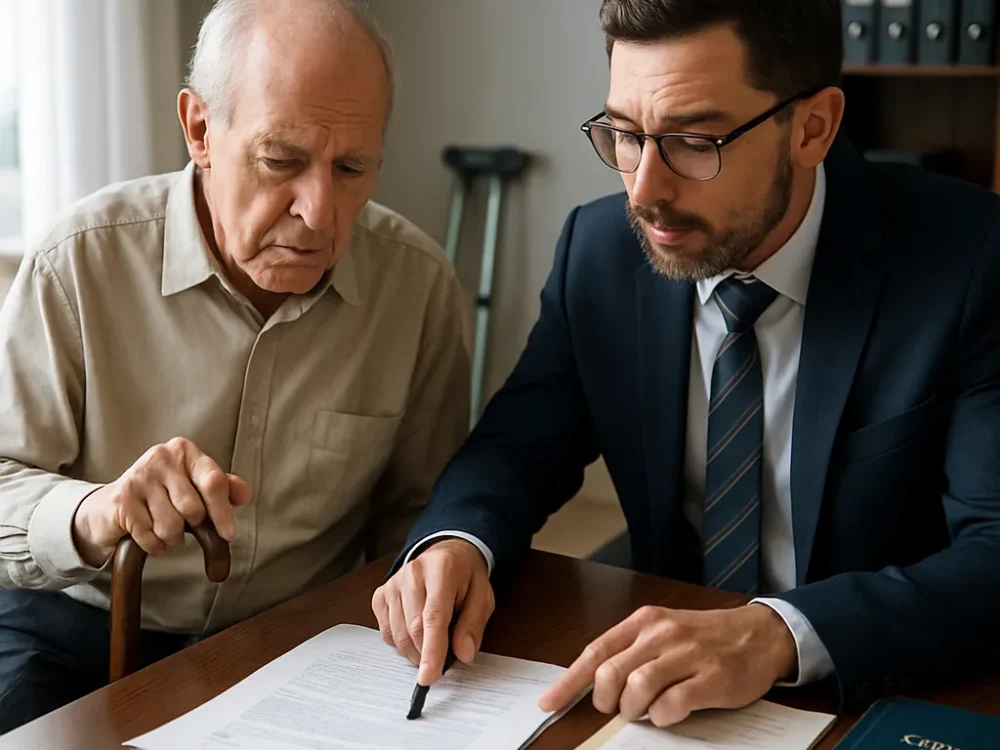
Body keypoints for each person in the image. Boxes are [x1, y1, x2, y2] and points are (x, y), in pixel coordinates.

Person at [373, 0, 1000, 730]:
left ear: (814, 127)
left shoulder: (969, 259)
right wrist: (456, 541)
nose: (642, 191)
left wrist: (777, 634)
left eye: (695, 141)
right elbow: (516, 449)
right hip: (664, 706)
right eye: (625, 134)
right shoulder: (599, 253)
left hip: (880, 695)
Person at [0, 0, 469, 732]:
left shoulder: (418, 286)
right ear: (199, 131)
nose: (319, 211)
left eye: (352, 167)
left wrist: (429, 572)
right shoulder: (79, 263)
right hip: (72, 626)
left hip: (293, 640)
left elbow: (421, 510)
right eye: (281, 160)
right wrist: (99, 511)